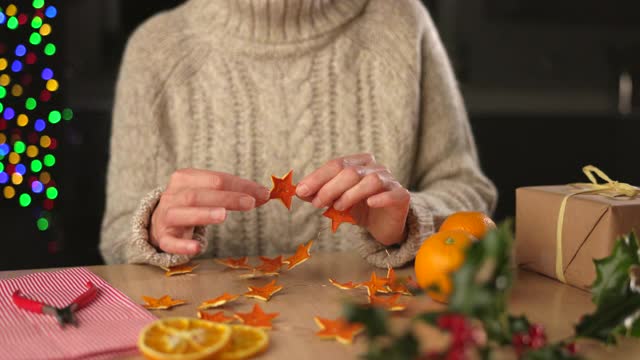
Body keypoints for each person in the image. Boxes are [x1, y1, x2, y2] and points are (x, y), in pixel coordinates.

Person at [99, 0, 497, 269]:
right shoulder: (154, 49)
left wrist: (409, 219)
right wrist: (153, 230)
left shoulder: (401, 23)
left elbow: (470, 193)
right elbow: (117, 234)